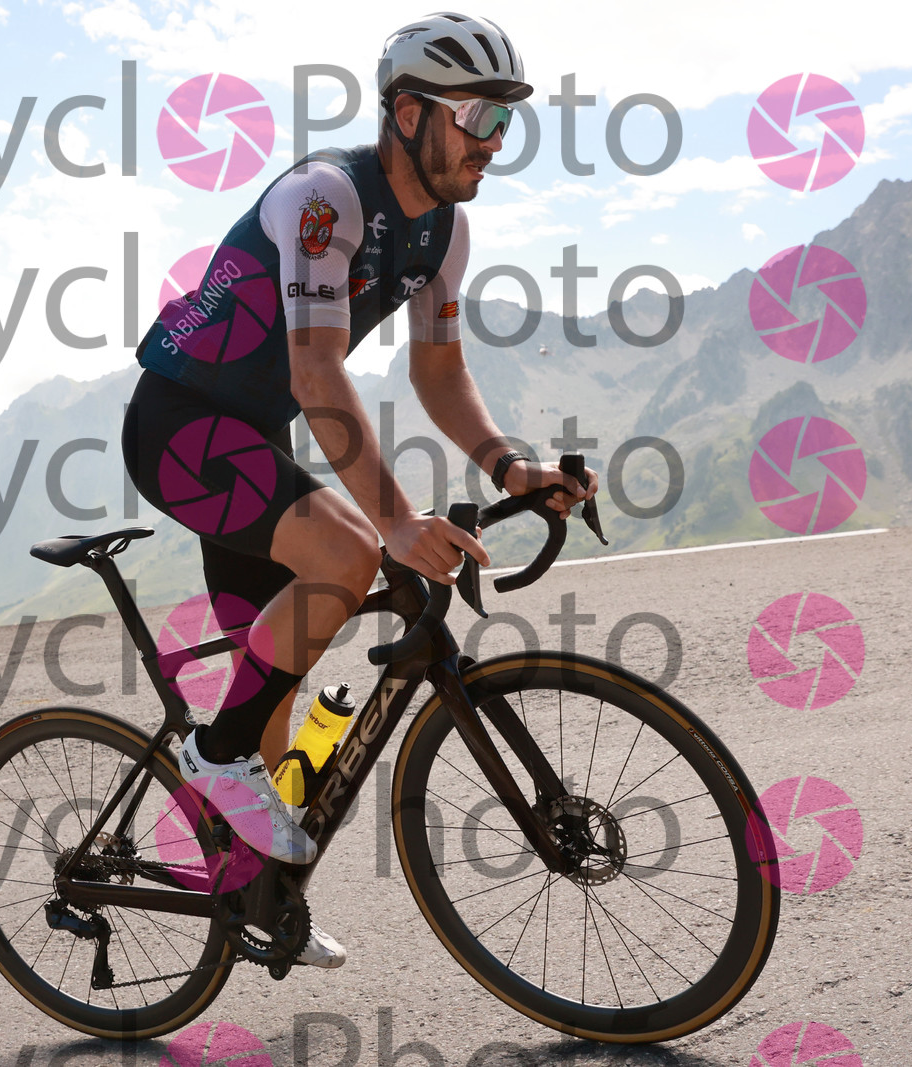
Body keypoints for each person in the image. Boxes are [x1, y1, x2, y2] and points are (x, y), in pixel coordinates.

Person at [121, 12, 599, 968]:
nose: (495, 143)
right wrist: (396, 520)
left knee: (276, 699)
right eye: (477, 118)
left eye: (506, 121)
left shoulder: (445, 230)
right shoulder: (326, 199)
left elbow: (440, 373)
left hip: (249, 439)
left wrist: (511, 467)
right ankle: (211, 755)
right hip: (179, 424)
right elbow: (316, 372)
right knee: (346, 553)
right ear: (409, 113)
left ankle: (250, 899)